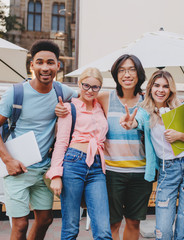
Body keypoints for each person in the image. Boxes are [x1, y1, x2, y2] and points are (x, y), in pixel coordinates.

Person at [0, 40, 78, 240]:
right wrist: (8, 160)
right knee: (20, 225)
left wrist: (141, 97)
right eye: (40, 62)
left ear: (58, 66)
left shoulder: (62, 92)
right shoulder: (15, 93)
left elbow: (90, 99)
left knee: (45, 220)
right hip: (17, 169)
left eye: (50, 63)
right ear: (32, 65)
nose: (45, 67)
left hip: (44, 169)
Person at [55, 54, 151, 240]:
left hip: (138, 171)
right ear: (116, 75)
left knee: (132, 223)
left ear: (139, 73)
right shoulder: (105, 98)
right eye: (122, 70)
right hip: (111, 170)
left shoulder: (147, 101)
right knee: (110, 223)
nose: (127, 74)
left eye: (131, 69)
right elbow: (84, 96)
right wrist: (59, 108)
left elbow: (168, 107)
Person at [119, 70, 184, 240]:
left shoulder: (183, 108)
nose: (161, 90)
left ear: (171, 89)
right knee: (163, 229)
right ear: (150, 88)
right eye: (157, 85)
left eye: (165, 86)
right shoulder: (144, 111)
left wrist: (180, 136)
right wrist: (130, 123)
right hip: (167, 170)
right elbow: (136, 121)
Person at [45, 67, 112, 240]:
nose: (90, 90)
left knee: (103, 230)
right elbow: (61, 142)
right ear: (79, 84)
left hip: (97, 167)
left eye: (95, 87)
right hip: (73, 163)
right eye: (86, 85)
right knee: (71, 227)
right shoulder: (69, 107)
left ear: (100, 88)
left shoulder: (101, 108)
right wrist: (56, 175)